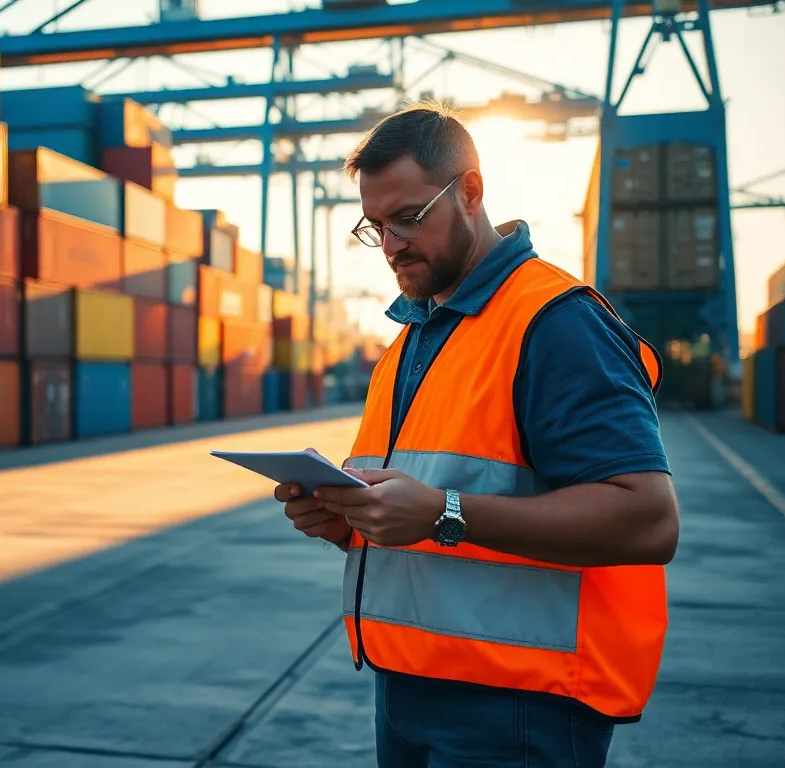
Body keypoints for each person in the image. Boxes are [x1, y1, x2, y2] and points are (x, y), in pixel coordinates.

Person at [274, 102, 679, 767]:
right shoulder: (413, 338)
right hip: (406, 687)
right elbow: (423, 500)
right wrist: (345, 517)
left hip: (519, 709)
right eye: (376, 227)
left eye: (408, 218)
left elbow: (649, 521)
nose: (393, 244)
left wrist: (442, 514)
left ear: (470, 192)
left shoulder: (555, 322)